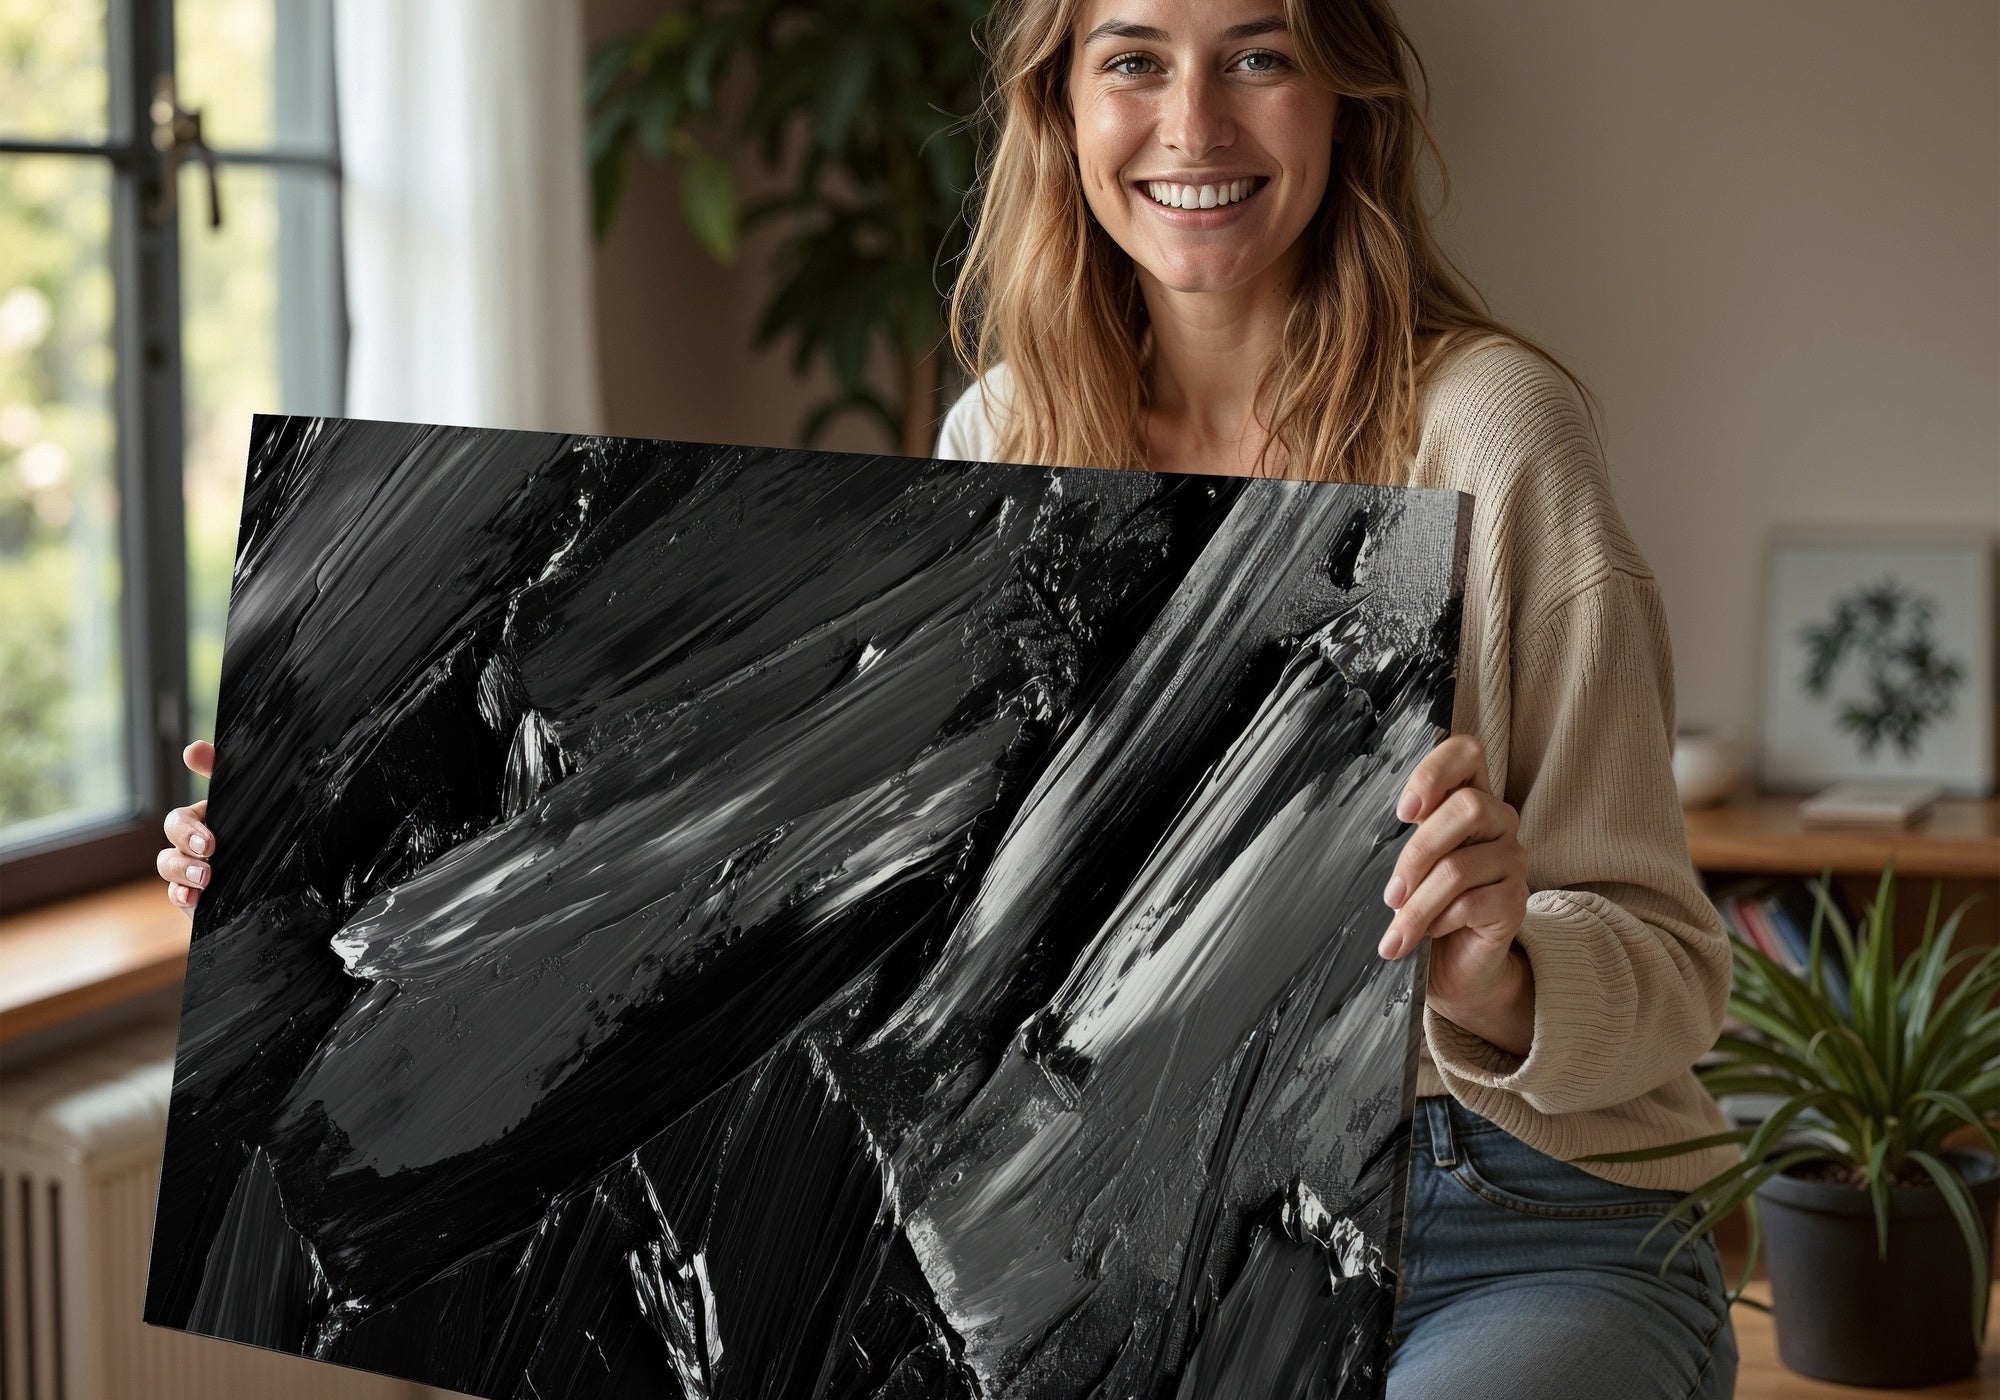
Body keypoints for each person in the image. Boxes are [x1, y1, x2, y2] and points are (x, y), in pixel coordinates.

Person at [157, 0, 1739, 1394]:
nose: (1195, 125)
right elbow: (811, 905)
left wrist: (1498, 977)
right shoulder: (1006, 438)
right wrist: (298, 881)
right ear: (1059, 108)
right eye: (1135, 62)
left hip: (1519, 1221)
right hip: (1132, 1263)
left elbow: (1676, 969)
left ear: (1343, 98)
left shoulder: (1489, 429)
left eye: (1258, 56)